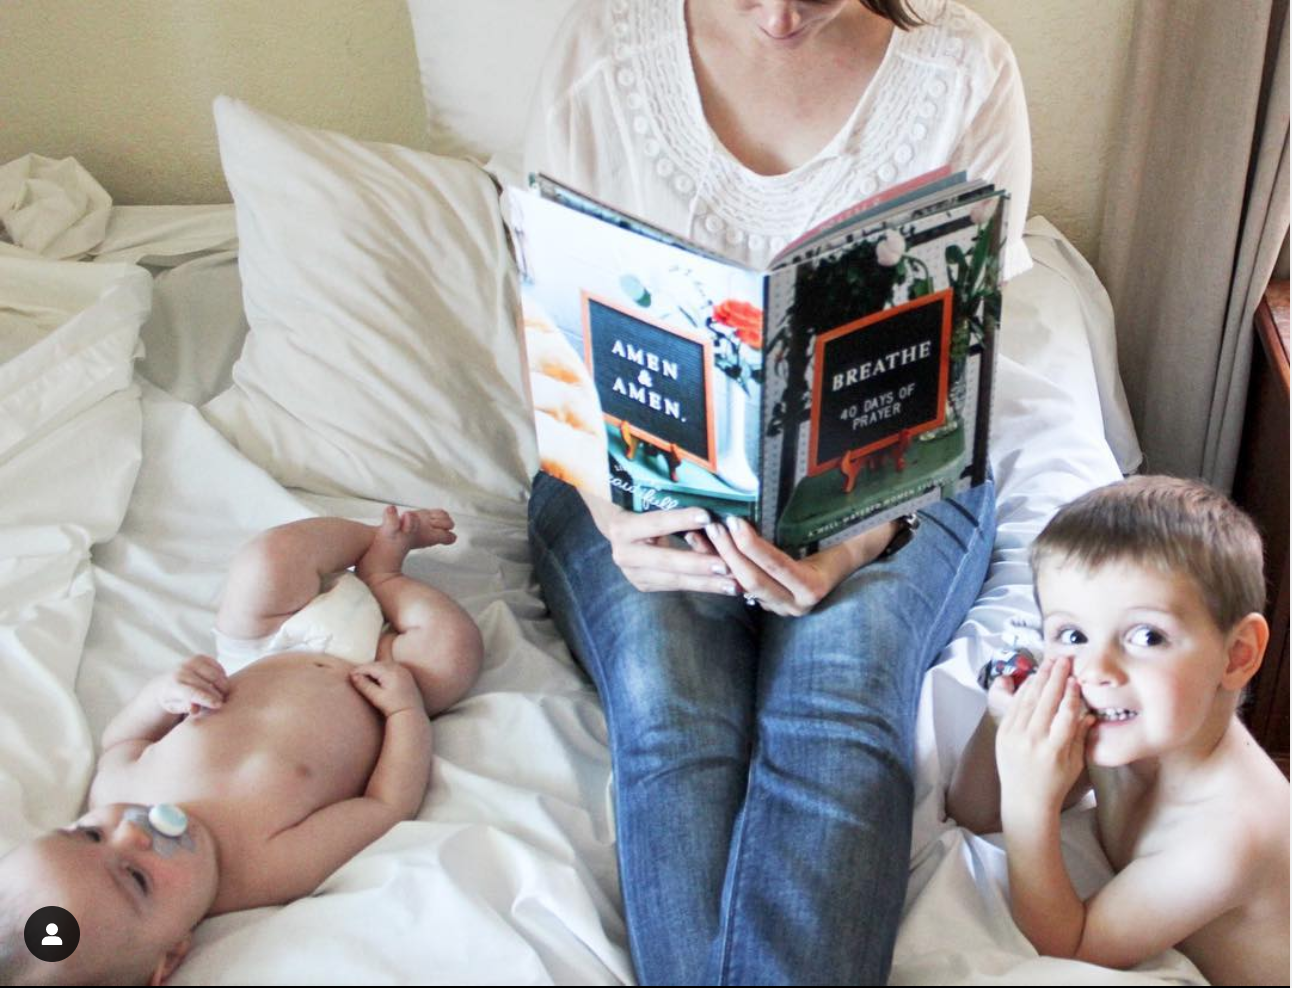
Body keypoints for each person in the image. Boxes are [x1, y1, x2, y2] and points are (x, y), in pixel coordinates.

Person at [524, 0, 1031, 982]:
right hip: (630, 479)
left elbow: (958, 355)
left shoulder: (966, 74)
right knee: (671, 709)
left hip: (895, 487)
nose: (778, 16)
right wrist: (614, 516)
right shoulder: (601, 49)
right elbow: (550, 328)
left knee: (837, 707)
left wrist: (846, 547)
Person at [0, 508, 482, 986]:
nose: (131, 832)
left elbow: (123, 740)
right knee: (451, 652)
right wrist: (404, 713)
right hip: (375, 679)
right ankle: (385, 573)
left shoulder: (116, 792)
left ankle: (377, 536)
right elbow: (385, 804)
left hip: (268, 648)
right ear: (169, 957)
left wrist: (165, 694)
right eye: (137, 877)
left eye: (88, 836)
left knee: (266, 561)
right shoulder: (269, 869)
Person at [946, 477, 1289, 985]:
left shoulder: (1231, 833)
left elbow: (1070, 946)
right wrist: (1005, 722)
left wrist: (1029, 801)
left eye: (1146, 636)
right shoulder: (1126, 728)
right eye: (1073, 635)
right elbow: (974, 813)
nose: (1095, 668)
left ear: (1237, 654)